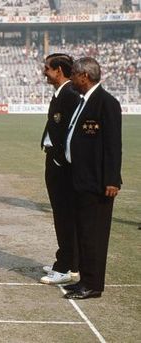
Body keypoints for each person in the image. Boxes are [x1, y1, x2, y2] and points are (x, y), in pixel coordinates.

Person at [63, 57, 122, 300]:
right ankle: (85, 280)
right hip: (80, 180)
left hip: (98, 183)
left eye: (74, 75)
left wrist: (112, 180)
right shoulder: (82, 101)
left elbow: (113, 145)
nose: (72, 80)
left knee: (94, 236)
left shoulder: (106, 103)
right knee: (83, 233)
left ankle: (93, 285)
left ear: (84, 76)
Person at [39, 54, 81, 285]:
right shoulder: (61, 94)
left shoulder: (70, 95)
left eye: (47, 68)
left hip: (62, 165)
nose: (44, 72)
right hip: (55, 161)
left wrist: (59, 160)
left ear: (59, 71)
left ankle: (65, 267)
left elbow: (73, 133)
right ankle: (68, 261)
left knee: (65, 216)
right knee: (62, 215)